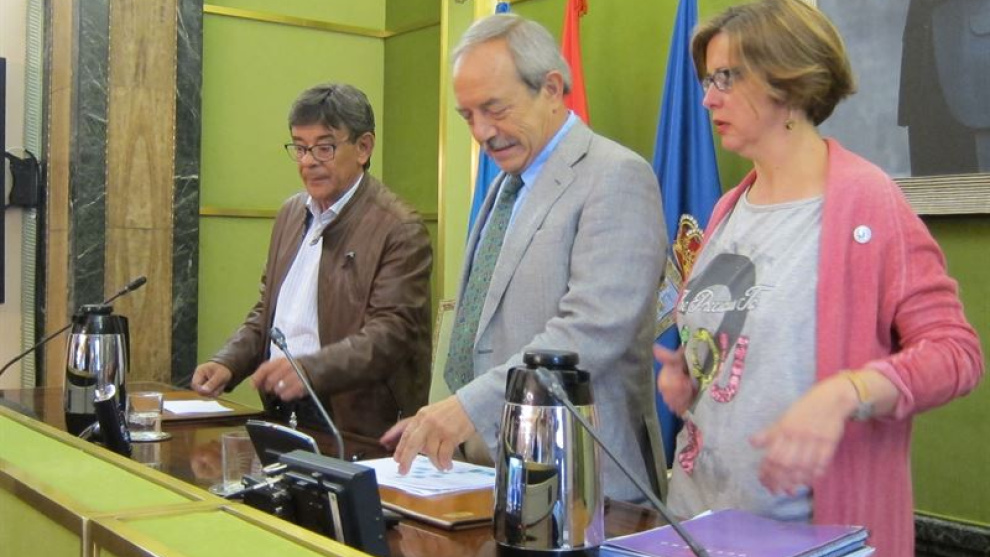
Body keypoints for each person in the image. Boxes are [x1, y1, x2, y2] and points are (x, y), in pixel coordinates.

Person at [654, 1, 984, 555]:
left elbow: (957, 353)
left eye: (725, 78)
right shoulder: (730, 207)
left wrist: (847, 391)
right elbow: (747, 350)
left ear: (786, 79)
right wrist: (692, 375)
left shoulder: (867, 202)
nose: (708, 98)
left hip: (808, 538)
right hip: (697, 521)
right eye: (708, 81)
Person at [381, 13, 669, 502]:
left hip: (589, 486)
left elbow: (592, 331)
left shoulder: (616, 176)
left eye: (495, 109)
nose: (482, 131)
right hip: (498, 470)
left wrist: (469, 407)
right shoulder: (504, 185)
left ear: (551, 89)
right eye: (467, 116)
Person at [192, 83, 433, 440]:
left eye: (324, 148)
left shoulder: (399, 228)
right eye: (300, 148)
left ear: (364, 147)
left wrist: (309, 370)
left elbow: (390, 336)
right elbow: (268, 313)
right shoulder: (291, 214)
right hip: (282, 407)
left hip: (355, 424)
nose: (308, 162)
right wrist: (228, 361)